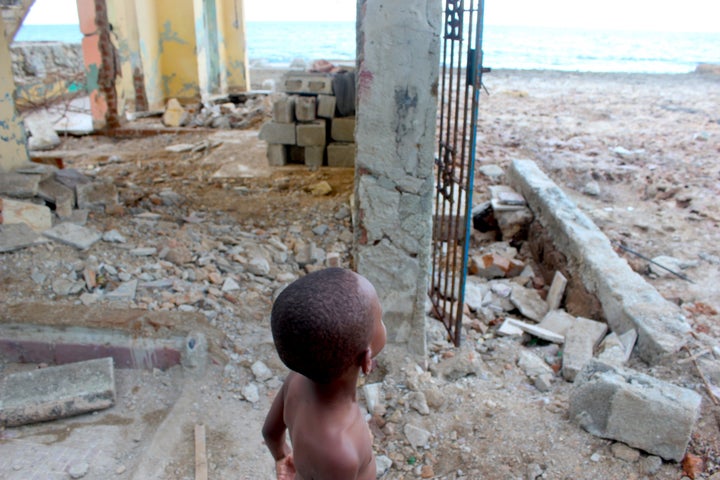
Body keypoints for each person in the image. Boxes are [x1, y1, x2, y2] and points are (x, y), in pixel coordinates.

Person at [262, 268, 386, 480]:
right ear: (366, 360)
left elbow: (270, 433)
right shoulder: (341, 450)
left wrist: (282, 457)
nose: (383, 323)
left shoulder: (296, 381)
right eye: (381, 319)